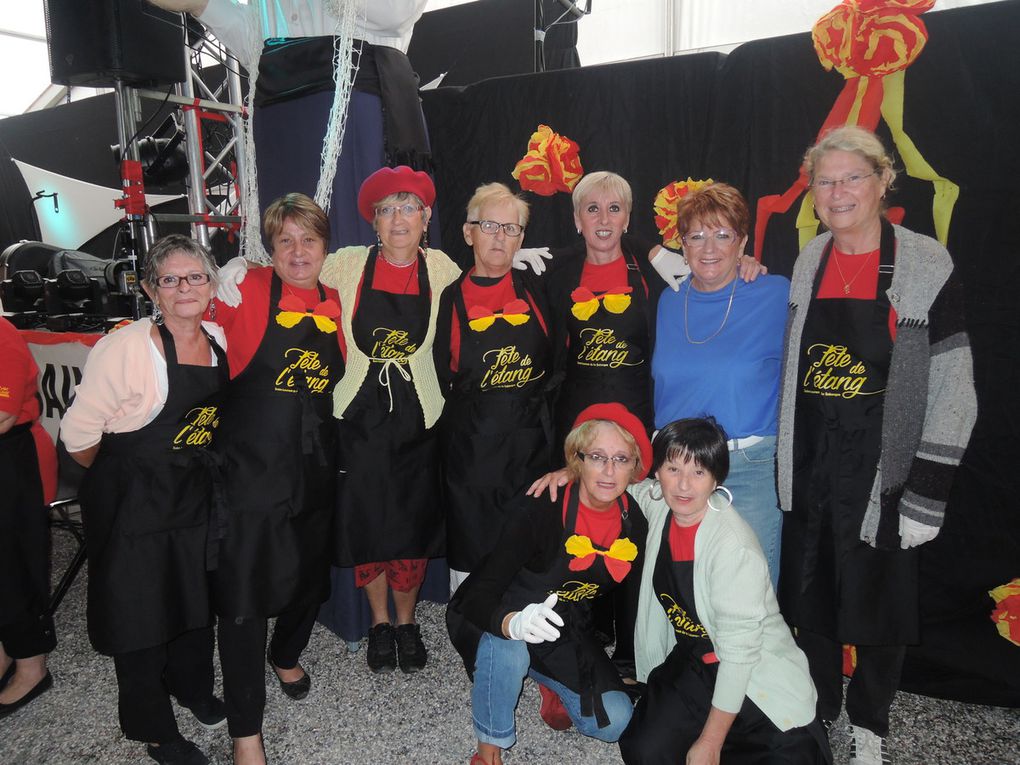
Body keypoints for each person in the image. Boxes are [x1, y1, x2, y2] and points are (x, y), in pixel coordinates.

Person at [776, 126, 977, 764]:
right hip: (812, 463)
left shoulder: (925, 263)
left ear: (883, 181)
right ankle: (817, 711)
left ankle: (870, 727)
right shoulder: (810, 260)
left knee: (881, 605)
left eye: (851, 178)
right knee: (813, 598)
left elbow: (953, 387)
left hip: (882, 473)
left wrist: (926, 494)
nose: (837, 193)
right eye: (824, 181)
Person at [60, 235, 228, 765]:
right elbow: (78, 436)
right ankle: (153, 729)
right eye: (170, 279)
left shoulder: (217, 336)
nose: (185, 288)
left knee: (194, 601)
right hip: (134, 502)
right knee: (139, 616)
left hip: (192, 493)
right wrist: (123, 480)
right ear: (152, 289)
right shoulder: (126, 347)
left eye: (195, 276)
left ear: (211, 283)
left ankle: (192, 687)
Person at [209, 193, 344, 765]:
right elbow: (188, 317)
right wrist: (218, 278)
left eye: (308, 239)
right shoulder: (249, 291)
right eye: (284, 240)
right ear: (269, 248)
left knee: (309, 584)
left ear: (324, 247)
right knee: (242, 602)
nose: (297, 250)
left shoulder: (335, 299)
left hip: (313, 473)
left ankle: (286, 652)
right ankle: (246, 731)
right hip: (249, 477)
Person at [448, 403, 651, 765]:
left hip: (562, 627)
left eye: (621, 459)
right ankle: (488, 750)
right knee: (510, 648)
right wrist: (513, 623)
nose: (608, 471)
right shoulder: (542, 508)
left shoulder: (632, 523)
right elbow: (478, 595)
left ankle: (548, 680)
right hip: (490, 614)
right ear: (577, 459)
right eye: (597, 457)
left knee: (616, 721)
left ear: (635, 467)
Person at [618, 417, 830, 764]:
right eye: (673, 468)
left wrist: (711, 741)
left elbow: (739, 655)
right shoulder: (659, 504)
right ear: (657, 472)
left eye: (699, 472)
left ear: (717, 478)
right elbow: (615, 485)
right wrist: (572, 474)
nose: (684, 484)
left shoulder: (734, 547)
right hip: (694, 661)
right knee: (644, 751)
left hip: (750, 671)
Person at [320, 165, 461, 674]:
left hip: (419, 417)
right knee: (365, 525)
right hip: (357, 414)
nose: (397, 218)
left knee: (412, 525)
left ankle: (406, 622)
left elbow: (486, 286)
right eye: (386, 209)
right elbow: (292, 268)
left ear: (425, 218)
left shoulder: (443, 268)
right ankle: (379, 622)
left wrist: (521, 265)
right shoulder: (347, 265)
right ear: (373, 222)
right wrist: (241, 269)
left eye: (408, 208)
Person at [148, 0, 430, 250]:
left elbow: (396, 12)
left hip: (354, 102)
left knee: (356, 245)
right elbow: (257, 44)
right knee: (285, 237)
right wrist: (204, 6)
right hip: (281, 115)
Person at [651, 182, 789, 588]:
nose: (708, 248)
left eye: (723, 235)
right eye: (696, 236)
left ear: (742, 242)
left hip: (748, 469)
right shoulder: (669, 299)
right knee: (686, 592)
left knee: (751, 592)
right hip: (677, 470)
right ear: (682, 243)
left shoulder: (775, 293)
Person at [434, 183, 556, 593]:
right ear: (468, 232)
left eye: (511, 228)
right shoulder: (448, 299)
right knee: (473, 570)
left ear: (522, 239)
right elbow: (441, 374)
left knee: (529, 563)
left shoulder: (541, 288)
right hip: (473, 456)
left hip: (532, 454)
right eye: (489, 225)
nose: (500, 237)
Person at [0, 317, 58, 719]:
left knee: (15, 568)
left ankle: (31, 666)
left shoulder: (1, 336)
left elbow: (2, 415)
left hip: (13, 460)